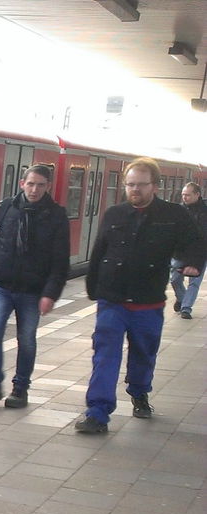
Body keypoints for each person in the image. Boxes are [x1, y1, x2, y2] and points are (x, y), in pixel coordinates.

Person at [75, 158, 205, 434]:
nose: (135, 189)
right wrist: (93, 286)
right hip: (112, 300)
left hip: (148, 301)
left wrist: (193, 263)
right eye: (130, 184)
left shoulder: (173, 215)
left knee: (144, 353)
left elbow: (195, 243)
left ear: (154, 186)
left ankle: (139, 391)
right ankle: (97, 412)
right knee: (105, 355)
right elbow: (99, 250)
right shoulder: (114, 214)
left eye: (141, 185)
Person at [0, 164, 70, 409]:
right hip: (2, 284)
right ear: (22, 183)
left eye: (40, 185)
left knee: (26, 339)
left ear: (48, 187)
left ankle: (20, 388)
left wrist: (50, 294)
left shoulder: (56, 215)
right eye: (31, 184)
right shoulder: (6, 207)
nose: (34, 190)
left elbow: (60, 260)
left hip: (32, 290)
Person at [171, 181, 206, 319]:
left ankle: (186, 308)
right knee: (174, 279)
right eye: (183, 195)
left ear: (197, 194)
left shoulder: (204, 211)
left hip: (200, 252)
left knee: (194, 282)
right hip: (181, 252)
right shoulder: (179, 210)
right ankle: (182, 298)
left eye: (188, 195)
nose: (184, 197)